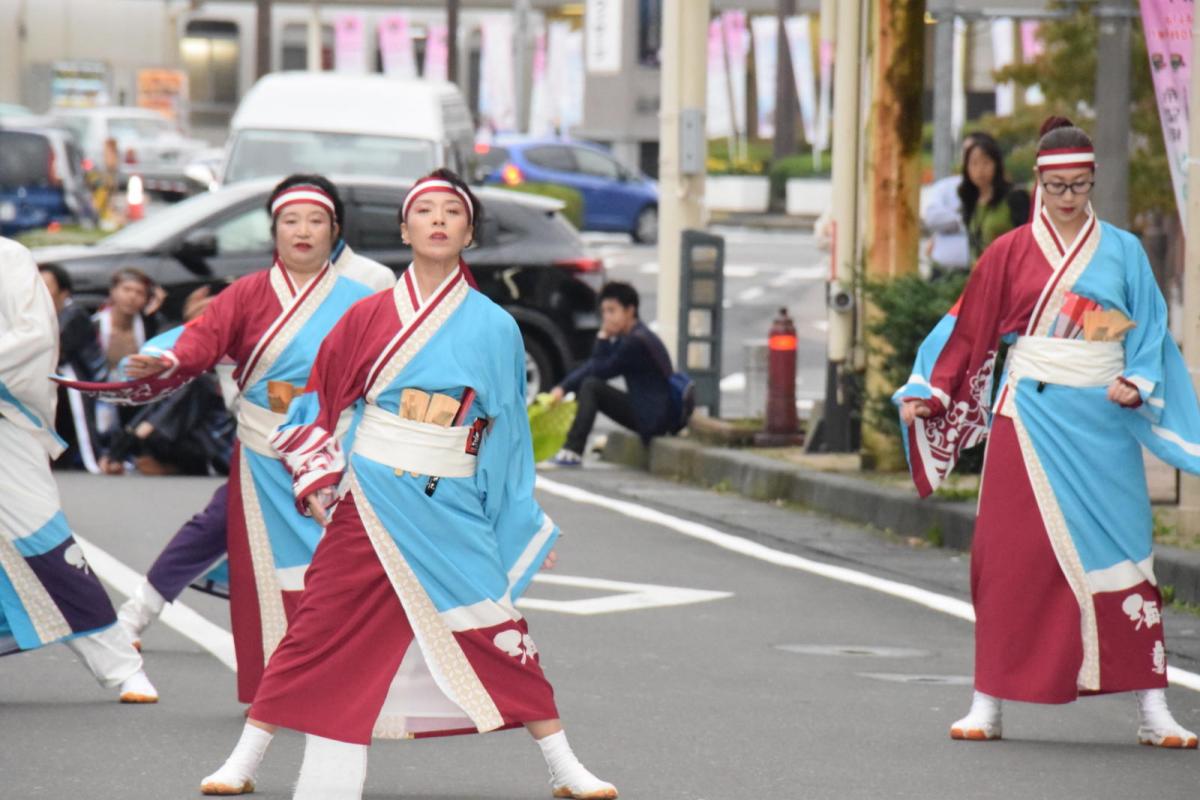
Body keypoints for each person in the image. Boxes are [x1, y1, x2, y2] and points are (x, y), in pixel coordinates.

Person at [198, 170, 617, 799]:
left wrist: (516, 515)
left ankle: (564, 766)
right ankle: (247, 757)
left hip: (450, 499)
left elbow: (502, 437)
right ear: (405, 228)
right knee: (315, 626)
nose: (440, 220)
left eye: (454, 211)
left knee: (495, 627)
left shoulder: (495, 325)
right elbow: (318, 402)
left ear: (469, 232)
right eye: (426, 210)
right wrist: (317, 474)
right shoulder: (367, 315)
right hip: (369, 495)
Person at [896, 116, 1200, 748]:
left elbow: (1145, 329)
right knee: (1004, 560)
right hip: (1027, 419)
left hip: (1103, 420)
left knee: (1126, 555)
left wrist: (1139, 381)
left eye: (1080, 186)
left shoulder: (1121, 251)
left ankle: (1153, 706)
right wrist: (929, 390)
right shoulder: (1008, 252)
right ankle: (988, 701)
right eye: (1057, 186)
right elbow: (968, 328)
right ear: (1038, 183)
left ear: (1093, 184)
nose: (1068, 198)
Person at [83, 174, 393, 707]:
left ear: (334, 228)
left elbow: (390, 366)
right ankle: (281, 678)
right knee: (243, 555)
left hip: (330, 450)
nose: (302, 231)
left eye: (315, 220)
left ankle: (338, 675)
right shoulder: (246, 293)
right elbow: (202, 338)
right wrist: (168, 357)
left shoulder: (366, 291)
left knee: (333, 564)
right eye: (289, 220)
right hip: (261, 447)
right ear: (272, 230)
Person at [0, 237, 157, 703]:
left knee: (45, 541)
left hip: (4, 425)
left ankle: (120, 666)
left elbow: (35, 337)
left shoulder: (9, 257)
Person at [546, 281, 674, 467]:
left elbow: (600, 369)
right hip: (656, 413)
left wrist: (563, 388)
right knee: (591, 384)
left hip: (652, 418)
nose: (606, 317)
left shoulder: (635, 343)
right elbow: (597, 365)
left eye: (612, 311)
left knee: (591, 387)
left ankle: (573, 450)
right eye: (604, 311)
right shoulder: (638, 335)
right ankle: (572, 449)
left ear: (630, 310)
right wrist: (564, 387)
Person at [39, 262, 106, 471]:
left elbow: (52, 348)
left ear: (63, 291)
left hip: (82, 381)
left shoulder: (74, 314)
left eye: (45, 285)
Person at [958, 133, 1031, 266]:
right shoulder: (970, 200)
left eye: (986, 162)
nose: (980, 170)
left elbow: (1028, 242)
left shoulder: (1015, 197)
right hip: (980, 278)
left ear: (997, 164)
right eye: (974, 163)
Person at [922, 133, 984, 278]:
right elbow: (932, 218)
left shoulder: (997, 194)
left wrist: (953, 220)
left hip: (978, 272)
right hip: (944, 272)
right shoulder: (945, 186)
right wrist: (964, 220)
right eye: (966, 155)